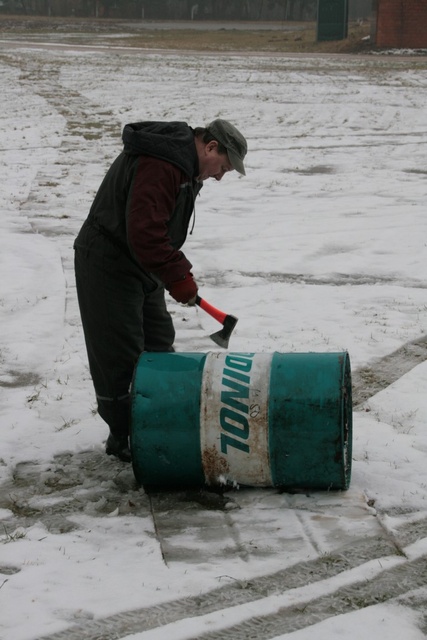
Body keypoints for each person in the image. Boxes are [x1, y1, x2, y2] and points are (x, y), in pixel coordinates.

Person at [74, 119, 247, 462]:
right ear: (210, 147)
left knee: (157, 342)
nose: (219, 176)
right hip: (109, 261)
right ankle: (125, 436)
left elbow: (154, 234)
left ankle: (154, 422)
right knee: (121, 355)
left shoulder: (184, 167)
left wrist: (170, 272)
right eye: (223, 167)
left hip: (140, 263)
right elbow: (145, 231)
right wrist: (177, 274)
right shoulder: (163, 163)